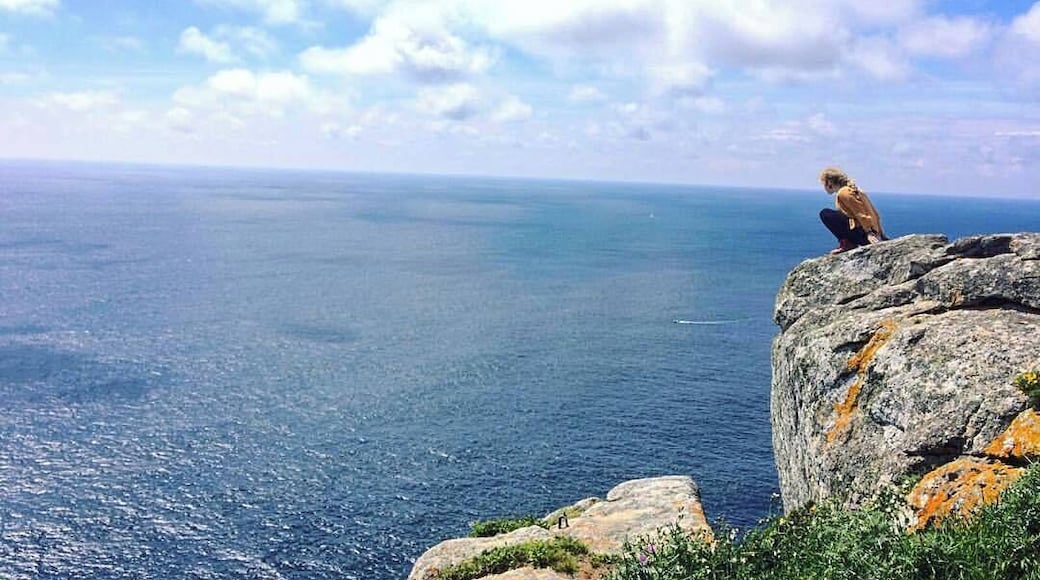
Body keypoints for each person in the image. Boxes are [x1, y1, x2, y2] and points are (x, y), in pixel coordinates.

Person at [818, 167, 888, 254]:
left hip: (865, 235)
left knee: (825, 213)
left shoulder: (843, 192)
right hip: (871, 233)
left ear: (829, 183)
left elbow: (860, 213)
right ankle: (848, 243)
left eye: (823, 184)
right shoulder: (855, 190)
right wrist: (881, 234)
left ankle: (847, 244)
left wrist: (870, 233)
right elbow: (875, 214)